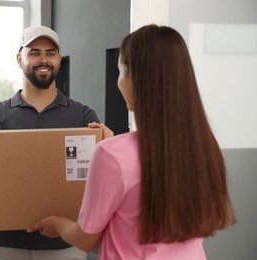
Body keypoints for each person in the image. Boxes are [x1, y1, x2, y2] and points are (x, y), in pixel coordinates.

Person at [27, 24, 237, 259]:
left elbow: (86, 238)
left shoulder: (111, 155)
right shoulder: (205, 146)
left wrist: (57, 224)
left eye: (120, 72)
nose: (119, 82)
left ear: (134, 77)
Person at [0, 25, 109, 260]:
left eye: (50, 53)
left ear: (59, 60)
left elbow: (101, 174)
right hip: (7, 244)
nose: (43, 59)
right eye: (34, 52)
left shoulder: (83, 116)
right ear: (19, 58)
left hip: (66, 246)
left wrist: (109, 146)